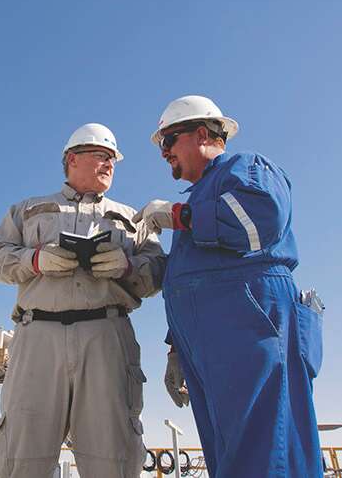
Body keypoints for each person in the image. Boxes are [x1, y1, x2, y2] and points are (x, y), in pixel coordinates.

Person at [133, 96, 324, 477]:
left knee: (266, 451)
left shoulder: (246, 167)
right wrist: (176, 349)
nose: (164, 153)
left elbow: (259, 221)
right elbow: (193, 276)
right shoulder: (202, 197)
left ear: (202, 133)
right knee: (230, 454)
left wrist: (177, 214)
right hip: (212, 339)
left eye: (168, 141)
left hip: (251, 324)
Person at [0, 123, 166, 478]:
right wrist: (35, 260)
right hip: (37, 334)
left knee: (112, 455)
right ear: (72, 159)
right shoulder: (28, 210)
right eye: (101, 155)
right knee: (23, 453)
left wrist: (128, 265)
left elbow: (158, 269)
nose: (109, 164)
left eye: (112, 158)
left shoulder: (134, 219)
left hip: (107, 336)